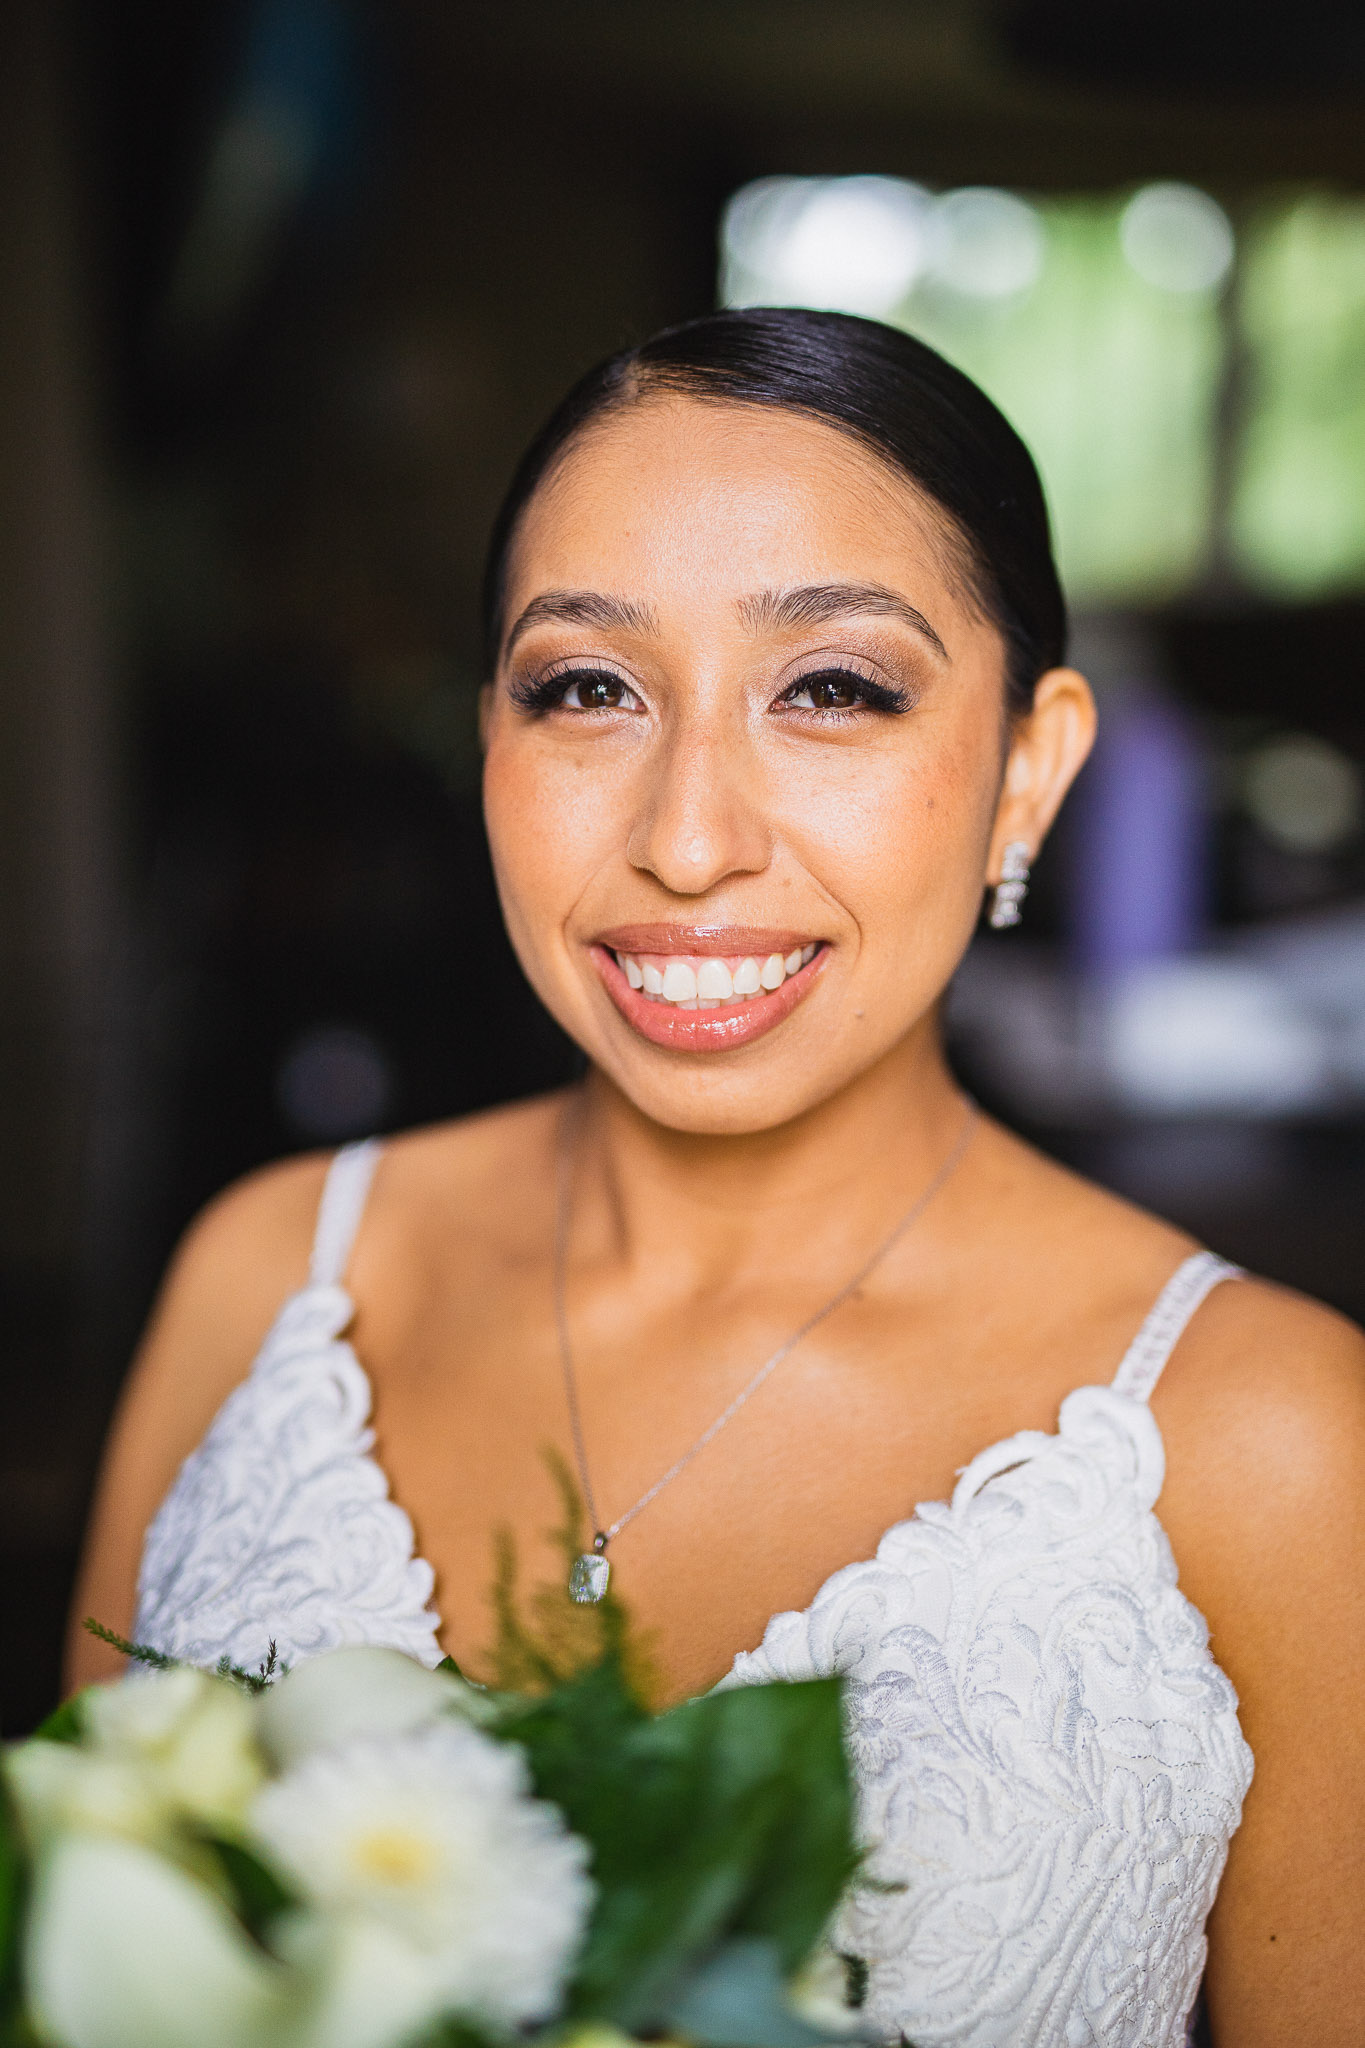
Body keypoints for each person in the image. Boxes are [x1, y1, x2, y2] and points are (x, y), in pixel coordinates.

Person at [70, 309, 1364, 2045]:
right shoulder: (273, 1276)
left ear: (1026, 770)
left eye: (832, 689)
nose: (687, 841)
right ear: (486, 741)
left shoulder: (1272, 1441)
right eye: (585, 689)